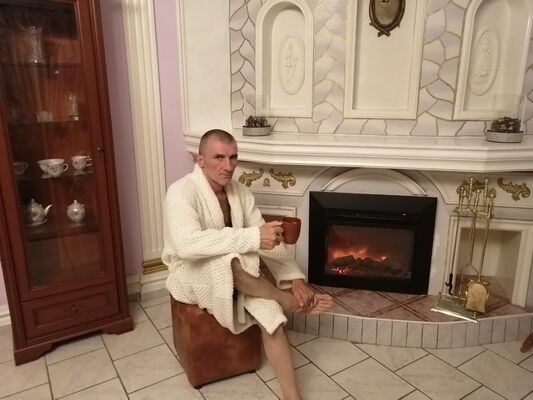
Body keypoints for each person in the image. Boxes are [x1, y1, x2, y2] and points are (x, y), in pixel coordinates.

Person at [162, 129, 332, 400]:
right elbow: (186, 245)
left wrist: (296, 280)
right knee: (231, 264)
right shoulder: (180, 192)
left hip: (237, 274)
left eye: (233, 157)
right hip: (189, 271)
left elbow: (267, 241)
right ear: (200, 159)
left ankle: (293, 397)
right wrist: (253, 237)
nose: (228, 166)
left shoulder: (240, 192)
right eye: (219, 157)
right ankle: (286, 300)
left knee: (272, 318)